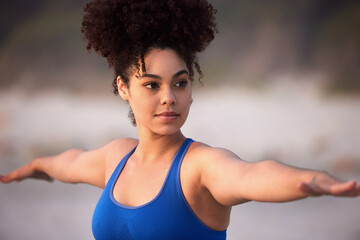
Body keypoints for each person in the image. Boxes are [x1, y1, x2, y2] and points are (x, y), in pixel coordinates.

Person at [1, 0, 359, 239]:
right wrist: (30, 167)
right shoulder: (116, 158)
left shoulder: (199, 167)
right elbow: (68, 163)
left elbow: (251, 174)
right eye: (151, 84)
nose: (169, 96)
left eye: (180, 82)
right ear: (123, 87)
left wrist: (314, 181)